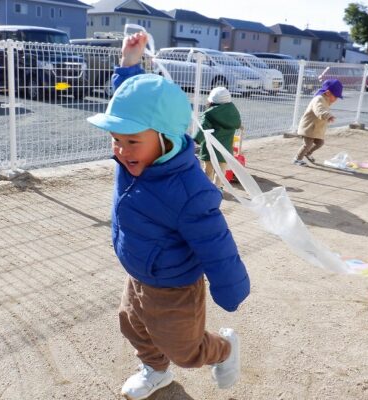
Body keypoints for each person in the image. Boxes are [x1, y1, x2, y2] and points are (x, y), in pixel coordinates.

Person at [87, 32, 250, 400]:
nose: (121, 150)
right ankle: (155, 371)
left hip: (175, 287)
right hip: (139, 273)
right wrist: (129, 64)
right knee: (133, 326)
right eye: (116, 139)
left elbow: (215, 242)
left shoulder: (189, 189)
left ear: (165, 139)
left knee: (186, 351)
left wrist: (230, 287)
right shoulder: (132, 161)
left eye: (131, 142)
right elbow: (136, 101)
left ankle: (223, 348)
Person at [193, 86, 241, 191]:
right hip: (225, 150)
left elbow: (202, 129)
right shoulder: (233, 113)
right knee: (220, 174)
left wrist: (195, 140)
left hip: (210, 149)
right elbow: (238, 124)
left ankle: (206, 190)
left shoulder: (209, 114)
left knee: (207, 171)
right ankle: (218, 190)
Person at [293, 79, 343, 166]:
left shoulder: (326, 100)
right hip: (308, 127)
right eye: (335, 96)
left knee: (320, 143)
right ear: (328, 93)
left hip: (315, 129)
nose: (336, 99)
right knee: (307, 144)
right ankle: (297, 159)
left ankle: (307, 153)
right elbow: (319, 110)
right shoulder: (318, 99)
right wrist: (328, 116)